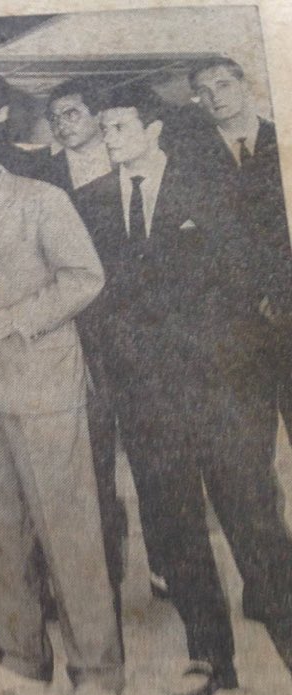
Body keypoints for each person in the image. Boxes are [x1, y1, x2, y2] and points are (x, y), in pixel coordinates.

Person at [71, 83, 292, 695]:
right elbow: (93, 299)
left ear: (153, 131)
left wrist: (239, 389)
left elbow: (250, 287)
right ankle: (209, 659)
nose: (108, 138)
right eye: (105, 127)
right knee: (176, 531)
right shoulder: (88, 203)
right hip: (146, 402)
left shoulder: (212, 187)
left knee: (255, 528)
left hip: (220, 398)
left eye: (118, 127)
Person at [0, 113, 122, 695]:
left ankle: (96, 670)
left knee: (67, 531)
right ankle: (21, 658)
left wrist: (18, 320)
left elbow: (84, 277)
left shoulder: (41, 199)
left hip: (42, 384)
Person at [31, 78, 127, 598]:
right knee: (82, 455)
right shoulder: (45, 177)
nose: (63, 124)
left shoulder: (127, 169)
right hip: (71, 330)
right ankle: (90, 579)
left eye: (72, 113)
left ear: (97, 116)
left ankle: (122, 564)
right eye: (56, 117)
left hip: (125, 331)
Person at [185, 57, 292, 491]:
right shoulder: (191, 161)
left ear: (244, 86)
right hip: (238, 330)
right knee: (251, 461)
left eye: (223, 84)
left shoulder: (281, 141)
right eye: (203, 91)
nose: (215, 97)